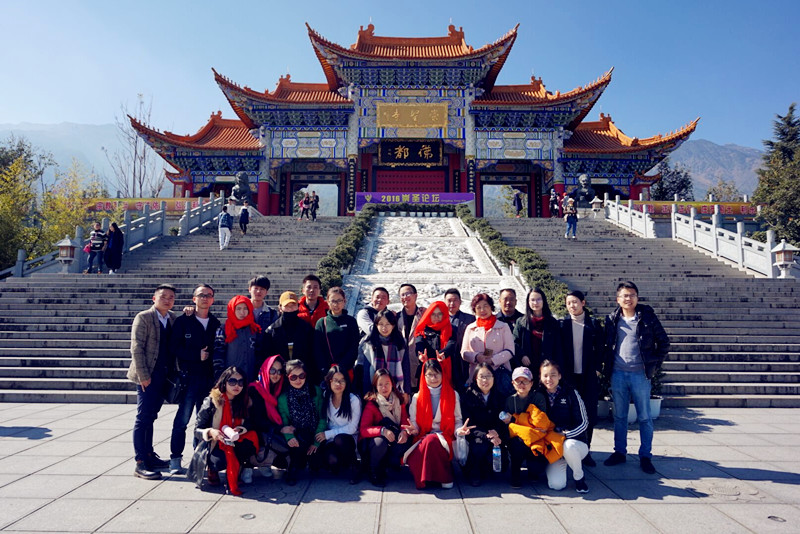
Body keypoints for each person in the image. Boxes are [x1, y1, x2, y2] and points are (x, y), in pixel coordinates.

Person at [603, 281, 670, 474]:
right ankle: (619, 452)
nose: (628, 298)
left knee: (645, 417)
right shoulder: (612, 319)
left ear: (637, 298)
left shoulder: (647, 318)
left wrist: (653, 364)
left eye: (632, 295)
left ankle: (645, 456)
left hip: (640, 374)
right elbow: (606, 345)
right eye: (625, 295)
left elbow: (664, 342)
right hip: (618, 374)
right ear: (618, 299)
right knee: (620, 416)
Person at [168, 284, 221, 474]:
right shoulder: (184, 321)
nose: (205, 298)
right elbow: (174, 347)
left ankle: (200, 460)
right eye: (201, 295)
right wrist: (195, 355)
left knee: (204, 422)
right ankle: (175, 458)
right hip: (188, 379)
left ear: (212, 299)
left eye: (208, 295)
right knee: (182, 420)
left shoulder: (215, 323)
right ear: (194, 299)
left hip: (208, 380)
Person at [128, 284, 177, 480]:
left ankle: (149, 455)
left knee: (151, 416)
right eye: (163, 296)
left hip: (163, 375)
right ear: (154, 298)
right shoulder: (144, 317)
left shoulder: (172, 318)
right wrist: (143, 375)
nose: (167, 300)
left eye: (171, 297)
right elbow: (136, 347)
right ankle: (140, 462)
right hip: (147, 375)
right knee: (143, 417)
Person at [193, 366, 258, 495]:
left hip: (235, 439)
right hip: (215, 443)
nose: (237, 386)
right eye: (232, 381)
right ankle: (212, 468)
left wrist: (241, 429)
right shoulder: (212, 401)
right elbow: (197, 429)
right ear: (224, 382)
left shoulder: (245, 400)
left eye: (240, 382)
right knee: (219, 462)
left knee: (249, 444)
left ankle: (236, 470)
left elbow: (252, 423)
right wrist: (211, 432)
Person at [404, 358, 464, 490]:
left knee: (431, 441)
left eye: (437, 374)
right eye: (429, 374)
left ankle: (438, 477)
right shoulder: (417, 397)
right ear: (424, 376)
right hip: (422, 436)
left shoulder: (453, 395)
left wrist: (459, 431)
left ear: (443, 374)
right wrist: (414, 429)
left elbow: (458, 420)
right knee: (423, 448)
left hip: (445, 436)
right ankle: (441, 476)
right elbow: (414, 421)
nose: (433, 378)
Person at [559, 290, 604, 467]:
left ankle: (586, 451)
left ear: (583, 303)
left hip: (588, 375)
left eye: (575, 302)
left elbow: (601, 349)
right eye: (569, 303)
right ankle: (570, 450)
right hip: (569, 377)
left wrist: (598, 369)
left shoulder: (593, 324)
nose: (572, 305)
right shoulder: (562, 324)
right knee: (570, 413)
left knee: (589, 413)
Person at [532, 360, 590, 493]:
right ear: (540, 377)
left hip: (575, 443)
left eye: (553, 375)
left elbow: (584, 423)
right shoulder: (537, 395)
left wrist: (565, 435)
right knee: (556, 485)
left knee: (568, 446)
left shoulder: (571, 393)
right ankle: (565, 463)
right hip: (553, 448)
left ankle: (579, 477)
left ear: (559, 376)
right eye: (545, 375)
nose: (549, 379)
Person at [359, 369, 411, 487]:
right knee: (380, 442)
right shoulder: (372, 403)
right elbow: (363, 429)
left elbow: (404, 420)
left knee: (407, 440)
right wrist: (382, 431)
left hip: (393, 437)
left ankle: (388, 465)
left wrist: (404, 432)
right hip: (373, 442)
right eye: (380, 384)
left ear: (392, 383)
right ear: (375, 386)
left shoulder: (398, 400)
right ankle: (373, 471)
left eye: (387, 383)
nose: (384, 387)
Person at [278, 359, 326, 485]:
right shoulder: (283, 398)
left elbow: (323, 417)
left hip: (315, 433)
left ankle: (308, 461)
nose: (298, 380)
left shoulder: (316, 391)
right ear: (287, 377)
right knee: (300, 441)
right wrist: (289, 437)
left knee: (317, 464)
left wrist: (316, 442)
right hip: (297, 436)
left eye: (301, 376)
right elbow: (285, 423)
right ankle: (293, 468)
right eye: (293, 377)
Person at [501, 367, 550, 488]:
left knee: (537, 468)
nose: (522, 384)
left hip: (535, 436)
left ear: (531, 383)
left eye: (525, 381)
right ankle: (515, 473)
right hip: (518, 438)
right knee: (517, 444)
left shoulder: (538, 397)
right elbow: (508, 425)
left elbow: (539, 422)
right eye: (518, 381)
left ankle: (533, 470)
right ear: (513, 383)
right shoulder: (509, 400)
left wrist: (515, 419)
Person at [460, 363, 506, 486]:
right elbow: (468, 423)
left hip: (494, 434)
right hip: (476, 434)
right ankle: (474, 473)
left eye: (488, 376)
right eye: (481, 377)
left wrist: (496, 431)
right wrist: (486, 435)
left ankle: (487, 468)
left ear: (493, 378)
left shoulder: (500, 396)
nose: (485, 380)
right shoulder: (468, 396)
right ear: (476, 378)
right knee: (479, 445)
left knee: (502, 466)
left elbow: (502, 420)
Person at [461, 293, 515, 397]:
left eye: (485, 306)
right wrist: (477, 357)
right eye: (478, 307)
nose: (482, 310)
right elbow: (464, 352)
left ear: (491, 307)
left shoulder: (503, 326)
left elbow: (510, 350)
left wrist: (493, 360)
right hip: (478, 374)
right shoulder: (470, 328)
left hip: (499, 373)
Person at [317, 366, 362, 483]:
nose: (338, 384)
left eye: (342, 380)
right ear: (329, 381)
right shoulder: (326, 396)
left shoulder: (353, 400)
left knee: (340, 439)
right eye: (335, 380)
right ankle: (342, 463)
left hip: (348, 439)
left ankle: (354, 466)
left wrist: (328, 434)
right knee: (332, 460)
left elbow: (352, 428)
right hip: (331, 439)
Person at [247, 355, 290, 475]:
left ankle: (266, 460)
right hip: (256, 432)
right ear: (265, 369)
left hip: (271, 431)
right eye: (272, 370)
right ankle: (251, 463)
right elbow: (256, 420)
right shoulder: (254, 389)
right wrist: (280, 429)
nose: (276, 374)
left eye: (279, 371)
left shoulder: (278, 390)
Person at [357, 309, 411, 396]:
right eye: (381, 324)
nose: (384, 328)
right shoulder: (368, 343)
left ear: (393, 325)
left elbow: (405, 367)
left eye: (388, 324)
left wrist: (406, 392)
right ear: (376, 325)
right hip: (374, 390)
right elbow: (366, 372)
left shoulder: (400, 342)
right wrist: (367, 393)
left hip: (396, 390)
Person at [263, 291, 315, 380]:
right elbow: (267, 357)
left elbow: (312, 355)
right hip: (280, 377)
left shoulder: (307, 329)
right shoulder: (271, 331)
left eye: (293, 305)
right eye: (287, 306)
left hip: (302, 377)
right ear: (280, 308)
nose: (290, 309)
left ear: (298, 306)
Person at [314, 287, 359, 381]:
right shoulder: (321, 323)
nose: (336, 304)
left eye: (339, 300)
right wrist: (326, 370)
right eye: (333, 301)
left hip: (346, 370)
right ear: (327, 302)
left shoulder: (351, 321)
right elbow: (318, 349)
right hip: (328, 372)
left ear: (344, 301)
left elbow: (354, 346)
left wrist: (342, 366)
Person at [513, 287, 562, 373]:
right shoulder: (521, 322)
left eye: (539, 299)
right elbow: (514, 342)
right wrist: (522, 355)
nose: (535, 303)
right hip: (527, 367)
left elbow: (558, 347)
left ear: (543, 301)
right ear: (528, 302)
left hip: (547, 367)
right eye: (532, 300)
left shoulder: (552, 322)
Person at [213, 295, 262, 381]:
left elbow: (259, 354)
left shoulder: (254, 329)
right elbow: (218, 355)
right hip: (230, 380)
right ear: (232, 309)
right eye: (238, 309)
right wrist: (221, 378)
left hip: (251, 378)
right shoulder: (224, 329)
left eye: (245, 308)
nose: (242, 312)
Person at [412, 301, 457, 386]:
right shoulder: (423, 329)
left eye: (439, 314)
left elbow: (451, 344)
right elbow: (419, 343)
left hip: (446, 368)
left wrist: (443, 354)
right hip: (427, 369)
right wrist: (421, 355)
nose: (436, 317)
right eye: (433, 314)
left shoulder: (450, 329)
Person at [445, 288, 475, 392]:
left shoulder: (470, 319)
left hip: (463, 360)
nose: (452, 303)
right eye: (449, 300)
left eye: (455, 300)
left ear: (460, 301)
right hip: (445, 359)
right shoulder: (439, 318)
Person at [396, 283, 425, 389]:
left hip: (420, 361)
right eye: (402, 295)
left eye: (408, 293)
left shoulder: (424, 315)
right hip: (401, 362)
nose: (405, 297)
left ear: (415, 295)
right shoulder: (396, 317)